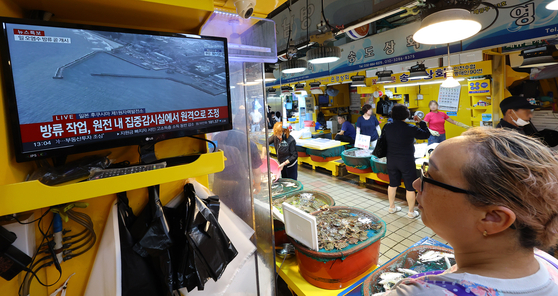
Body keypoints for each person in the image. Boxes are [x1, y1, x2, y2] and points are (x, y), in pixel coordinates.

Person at [382, 128, 558, 295]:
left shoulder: (422, 293)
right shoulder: (545, 261)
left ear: (493, 218)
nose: (416, 184)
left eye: (430, 177)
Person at [383, 104, 430, 218]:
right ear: (406, 115)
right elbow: (426, 134)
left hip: (391, 159)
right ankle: (410, 212)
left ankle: (392, 207)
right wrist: (421, 122)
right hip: (406, 161)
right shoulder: (410, 128)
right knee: (410, 186)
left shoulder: (387, 126)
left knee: (393, 184)